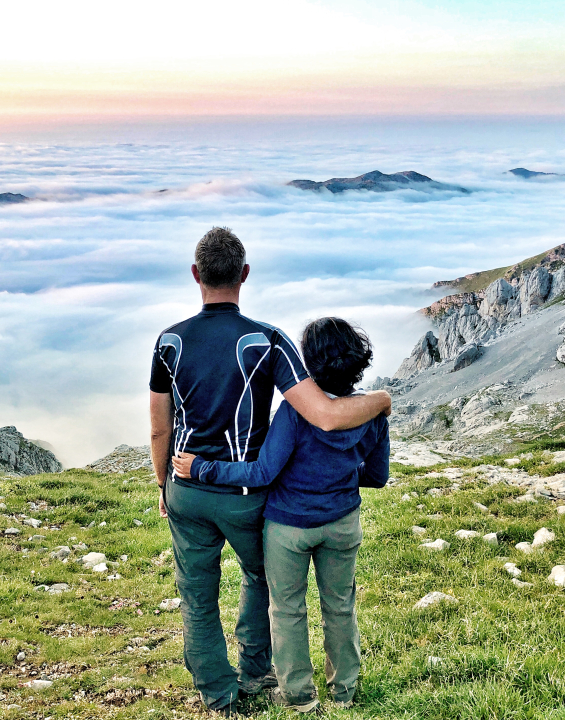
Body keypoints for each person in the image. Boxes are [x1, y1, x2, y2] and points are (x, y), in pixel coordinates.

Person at [149, 228, 391, 717]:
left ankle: (219, 694)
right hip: (244, 490)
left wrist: (164, 481)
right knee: (261, 578)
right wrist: (381, 400)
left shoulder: (168, 341)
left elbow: (160, 427)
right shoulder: (269, 341)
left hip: (186, 485)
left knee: (197, 595)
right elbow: (321, 413)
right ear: (245, 275)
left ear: (196, 275)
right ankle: (257, 670)